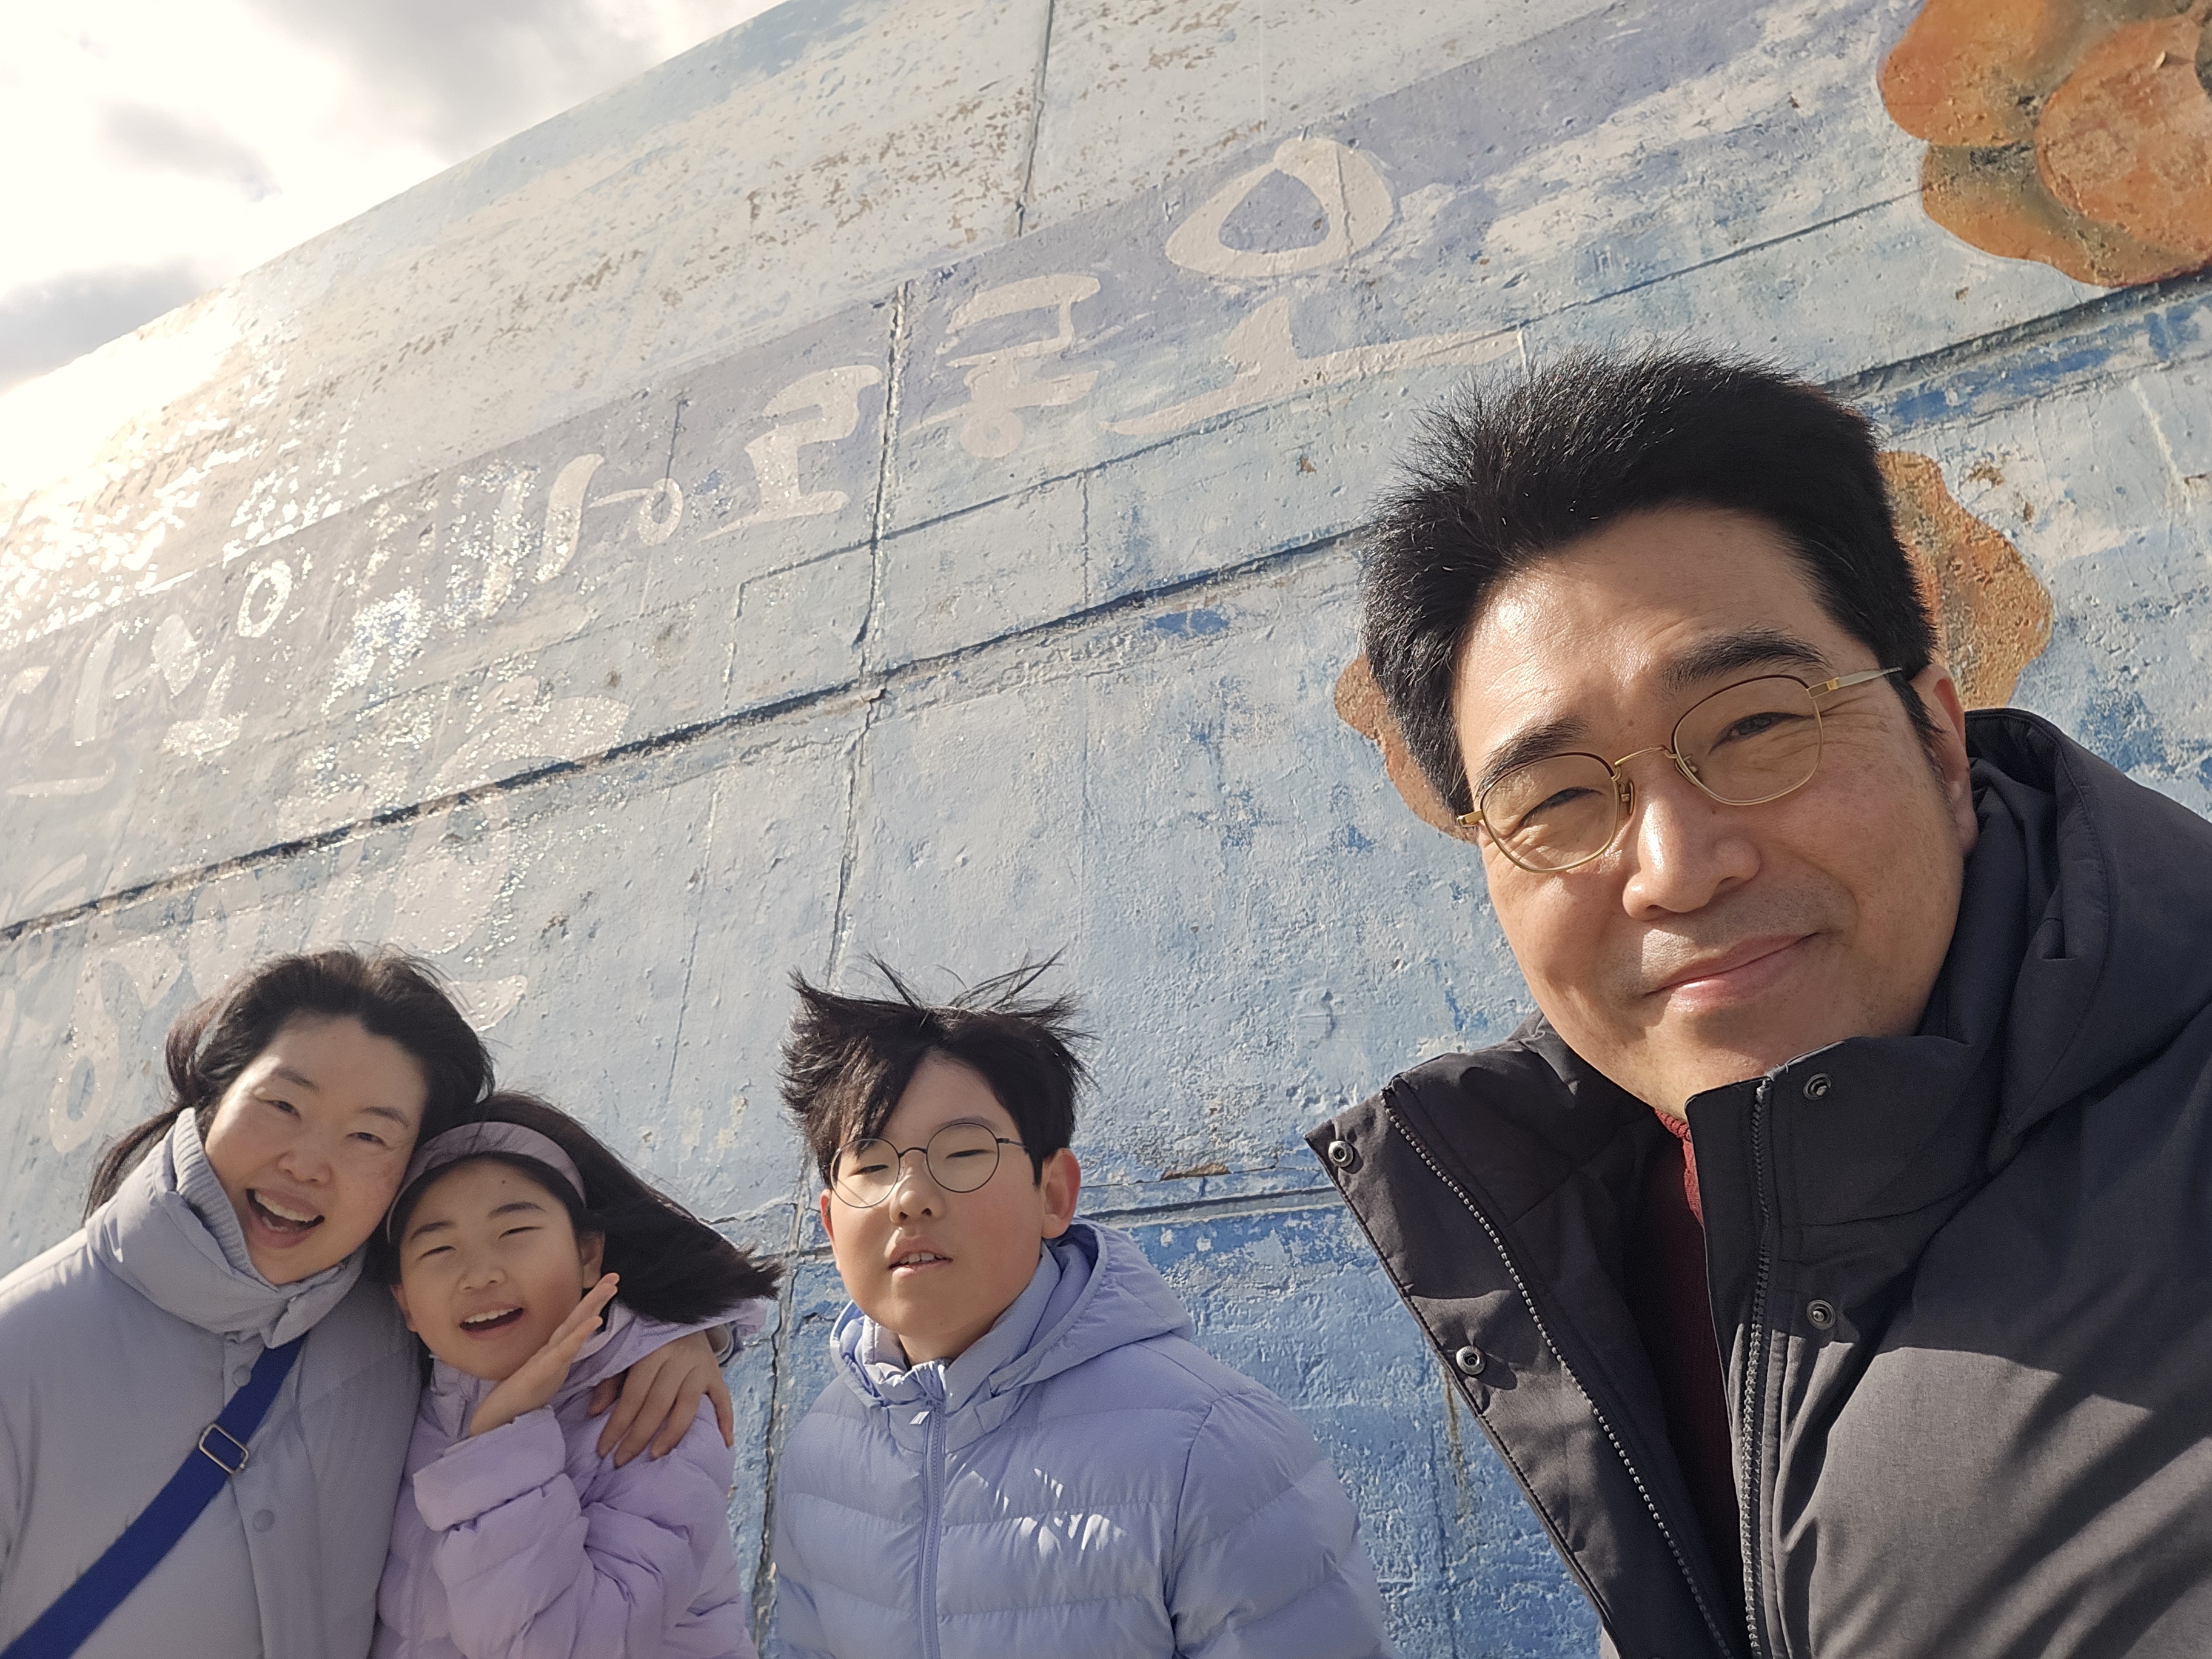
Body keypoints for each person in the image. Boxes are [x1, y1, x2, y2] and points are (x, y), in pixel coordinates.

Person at [1310, 348, 2212, 1658]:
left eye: (1752, 728)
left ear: (1937, 738)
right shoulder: (1597, 1214)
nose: (1675, 868)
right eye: (1556, 800)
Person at [0, 947, 736, 1659]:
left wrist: (671, 1339)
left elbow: (526, 1272)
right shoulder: (24, 1348)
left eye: (368, 1135)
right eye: (283, 1104)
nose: (306, 1164)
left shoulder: (387, 1318)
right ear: (214, 1096)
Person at [769, 962, 1389, 1659]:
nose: (909, 1198)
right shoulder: (821, 1457)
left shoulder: (1210, 1449)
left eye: (963, 1152)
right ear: (831, 1223)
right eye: (872, 1166)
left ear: (1054, 1194)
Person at [369, 1091, 780, 1659]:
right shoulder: (411, 1399)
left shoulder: (654, 1409)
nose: (480, 1274)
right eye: (439, 1249)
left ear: (588, 1255)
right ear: (405, 1304)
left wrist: (504, 1438)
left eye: (514, 1232)